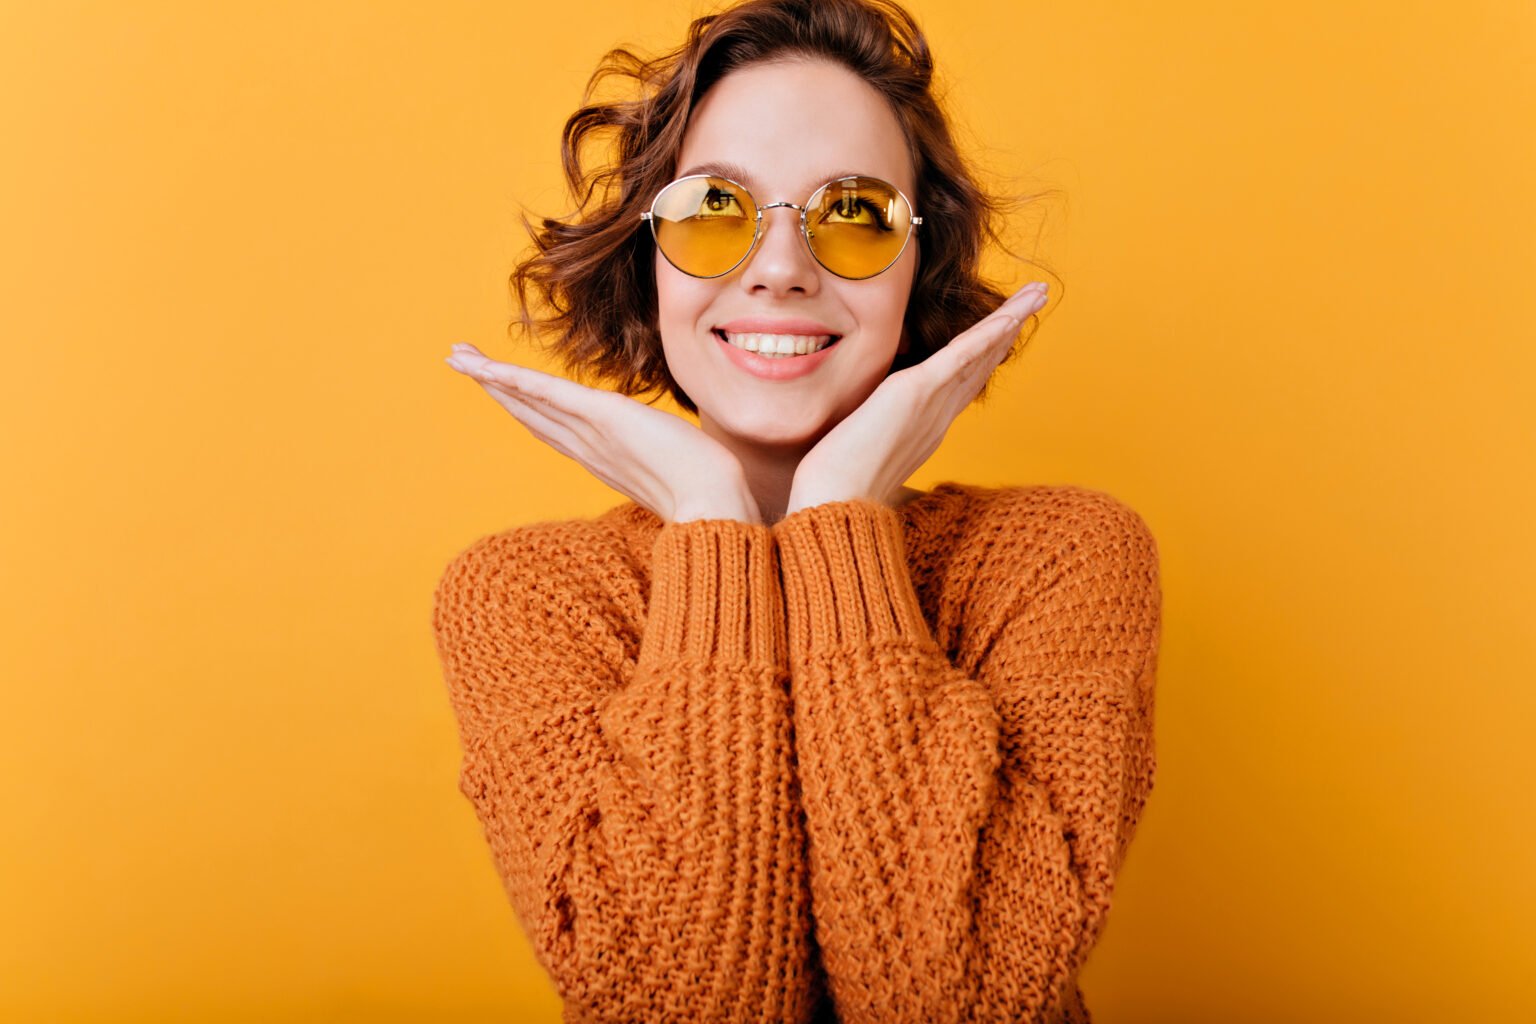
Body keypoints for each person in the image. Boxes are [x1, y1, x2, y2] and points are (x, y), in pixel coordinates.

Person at [432, 1, 1161, 1021]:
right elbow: (683, 1004)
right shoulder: (527, 597)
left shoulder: (1059, 560)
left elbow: (961, 1003)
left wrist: (834, 522)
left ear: (922, 265)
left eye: (854, 214)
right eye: (713, 209)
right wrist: (711, 530)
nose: (779, 267)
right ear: (647, 262)